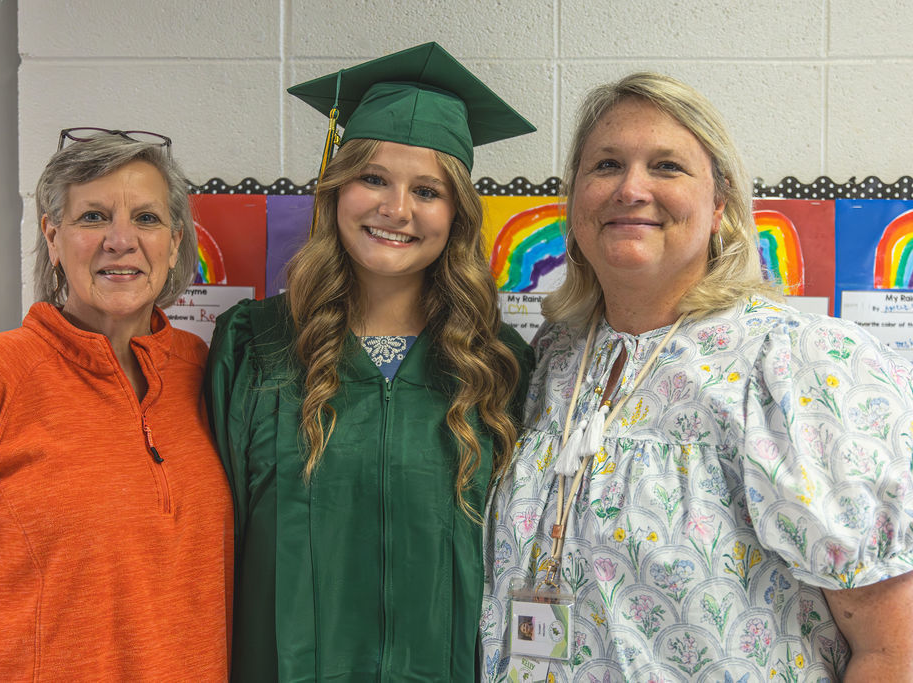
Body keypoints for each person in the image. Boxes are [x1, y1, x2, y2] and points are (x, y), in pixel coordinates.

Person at [482, 73, 913, 682]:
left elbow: (893, 651)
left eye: (667, 167)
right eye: (606, 164)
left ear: (720, 203)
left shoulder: (797, 365)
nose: (631, 188)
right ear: (573, 199)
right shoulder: (557, 357)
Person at [206, 43, 536, 681]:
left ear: (457, 214)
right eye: (373, 179)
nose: (397, 209)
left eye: (428, 190)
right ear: (336, 188)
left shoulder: (498, 366)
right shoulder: (254, 345)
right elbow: (206, 543)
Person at [0, 129, 234, 680]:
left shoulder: (209, 373)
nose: (121, 240)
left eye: (146, 219)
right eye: (93, 217)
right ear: (53, 238)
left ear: (174, 244)